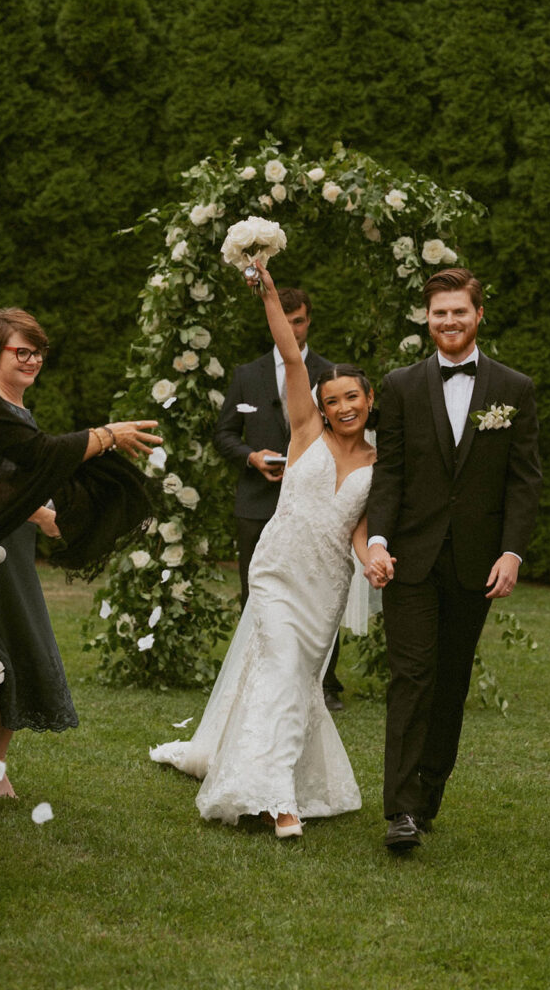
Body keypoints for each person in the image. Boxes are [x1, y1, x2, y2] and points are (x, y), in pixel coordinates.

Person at [150, 261, 376, 838]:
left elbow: (359, 525)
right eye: (335, 399)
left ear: (369, 399)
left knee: (298, 680)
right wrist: (269, 293)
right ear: (320, 405)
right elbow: (293, 357)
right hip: (277, 572)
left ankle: (293, 780)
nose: (344, 407)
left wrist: (372, 555)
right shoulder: (304, 431)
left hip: (326, 587)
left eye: (354, 397)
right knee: (279, 669)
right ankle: (278, 800)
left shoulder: (382, 465)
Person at [365, 267, 542, 851]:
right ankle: (401, 810)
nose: (448, 321)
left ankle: (430, 791)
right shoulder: (400, 385)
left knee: (450, 681)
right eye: (439, 312)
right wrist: (378, 540)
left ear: (478, 315)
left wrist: (512, 551)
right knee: (411, 676)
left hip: (475, 563)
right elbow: (388, 470)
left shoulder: (514, 389)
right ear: (427, 317)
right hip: (410, 558)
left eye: (458, 312)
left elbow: (523, 481)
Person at [0, 307, 162, 797]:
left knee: (25, 652)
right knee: (5, 652)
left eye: (37, 351)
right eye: (20, 351)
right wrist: (108, 436)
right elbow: (7, 481)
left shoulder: (19, 411)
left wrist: (49, 509)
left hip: (14, 552)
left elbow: (31, 471)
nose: (32, 360)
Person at [213, 286, 345, 711]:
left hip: (313, 502)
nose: (292, 328)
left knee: (317, 586)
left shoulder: (331, 373)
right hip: (257, 500)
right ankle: (258, 675)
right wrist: (251, 457)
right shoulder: (245, 375)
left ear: (309, 321)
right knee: (256, 589)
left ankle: (324, 682)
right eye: (285, 321)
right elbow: (223, 434)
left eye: (299, 320)